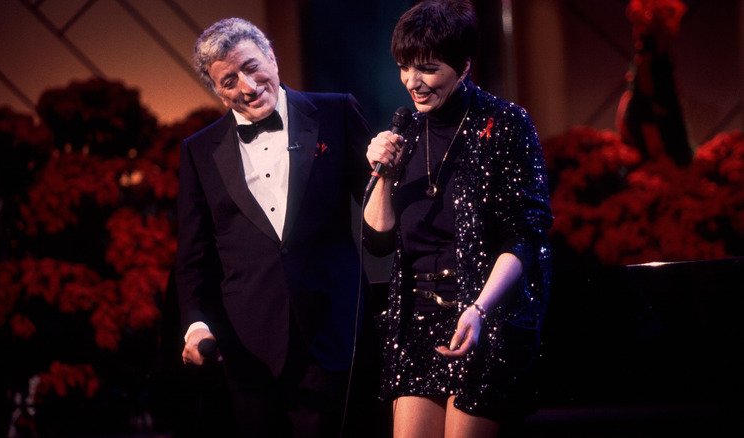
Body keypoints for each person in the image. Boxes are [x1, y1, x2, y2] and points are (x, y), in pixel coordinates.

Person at [175, 17, 374, 437]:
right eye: (229, 81)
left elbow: (380, 206)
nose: (247, 87)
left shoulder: (336, 112)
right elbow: (194, 258)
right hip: (246, 350)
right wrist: (196, 325)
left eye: (251, 67)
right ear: (216, 90)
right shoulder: (198, 151)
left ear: (271, 56)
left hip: (331, 336)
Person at [363, 1, 553, 437]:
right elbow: (377, 241)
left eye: (428, 69)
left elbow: (526, 235)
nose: (413, 82)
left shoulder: (505, 123)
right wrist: (384, 177)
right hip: (415, 319)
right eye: (403, 67)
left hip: (484, 314)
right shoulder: (406, 131)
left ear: (464, 65)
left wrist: (480, 309)